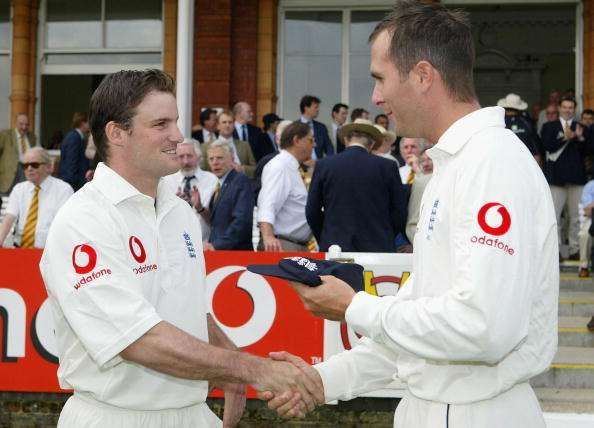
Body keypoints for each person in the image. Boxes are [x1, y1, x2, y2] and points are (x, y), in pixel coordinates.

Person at [261, 3, 558, 427]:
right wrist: (322, 380)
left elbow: (482, 328)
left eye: (380, 78)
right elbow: (415, 331)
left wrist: (354, 307)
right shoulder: (456, 165)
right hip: (437, 409)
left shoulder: (492, 162)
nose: (376, 97)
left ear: (422, 76)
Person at [39, 69, 321, 428]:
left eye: (175, 122)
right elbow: (138, 340)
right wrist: (254, 370)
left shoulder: (181, 212)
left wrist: (232, 366)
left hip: (192, 413)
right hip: (115, 416)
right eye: (160, 124)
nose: (178, 136)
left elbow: (188, 311)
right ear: (117, 133)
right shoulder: (83, 220)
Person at [305, 118, 406, 252]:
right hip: (378, 247)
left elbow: (312, 211)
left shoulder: (324, 165)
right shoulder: (387, 166)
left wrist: (326, 236)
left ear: (346, 140)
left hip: (335, 247)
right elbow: (399, 212)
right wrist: (384, 234)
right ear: (372, 144)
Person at [542, 96, 591, 261]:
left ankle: (575, 249)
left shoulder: (582, 127)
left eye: (571, 107)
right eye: (565, 107)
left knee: (576, 217)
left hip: (576, 179)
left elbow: (589, 150)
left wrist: (581, 138)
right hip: (556, 179)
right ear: (560, 108)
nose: (568, 110)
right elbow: (547, 146)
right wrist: (566, 137)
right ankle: (555, 251)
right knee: (554, 218)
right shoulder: (549, 126)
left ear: (575, 109)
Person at [257, 122, 314, 252]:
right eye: (310, 140)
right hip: (281, 245)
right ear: (297, 140)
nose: (314, 145)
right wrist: (268, 237)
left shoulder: (295, 168)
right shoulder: (280, 166)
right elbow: (268, 202)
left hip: (297, 245)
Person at [0, 147, 72, 248]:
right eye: (25, 166)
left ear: (48, 166)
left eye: (34, 165)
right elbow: (9, 218)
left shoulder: (63, 190)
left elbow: (64, 225)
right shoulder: (19, 189)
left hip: (48, 251)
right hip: (20, 249)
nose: (29, 168)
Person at [199, 140, 254, 251]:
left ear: (232, 159)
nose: (215, 162)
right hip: (220, 255)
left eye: (219, 158)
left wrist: (217, 245)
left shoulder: (240, 181)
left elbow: (241, 222)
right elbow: (217, 221)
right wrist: (199, 207)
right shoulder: (220, 183)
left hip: (235, 256)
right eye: (211, 159)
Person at [162, 138, 218, 242]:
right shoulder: (167, 181)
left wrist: (199, 207)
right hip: (174, 243)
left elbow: (217, 220)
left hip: (204, 245)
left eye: (189, 156)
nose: (186, 161)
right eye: (181, 157)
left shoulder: (212, 180)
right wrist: (173, 205)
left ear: (199, 157)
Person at [201, 111, 257, 178]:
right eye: (224, 122)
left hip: (241, 183)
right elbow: (202, 171)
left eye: (230, 122)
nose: (227, 125)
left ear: (234, 125)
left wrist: (242, 169)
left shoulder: (244, 145)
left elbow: (255, 169)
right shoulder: (205, 147)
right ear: (218, 126)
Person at [0, 113, 38, 195]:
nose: (24, 127)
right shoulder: (6, 135)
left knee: (24, 196)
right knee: (5, 199)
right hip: (8, 175)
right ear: (16, 123)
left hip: (26, 171)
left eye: (26, 124)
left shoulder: (32, 137)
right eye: (21, 124)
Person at [497, 93, 541, 159]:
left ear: (505, 107)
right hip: (524, 162)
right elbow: (535, 151)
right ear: (519, 108)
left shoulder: (499, 123)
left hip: (503, 161)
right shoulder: (527, 123)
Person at [405, 147, 434, 243]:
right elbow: (413, 221)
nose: (426, 164)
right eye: (422, 161)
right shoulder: (419, 182)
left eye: (430, 159)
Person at [59, 112, 90, 191]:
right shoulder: (74, 138)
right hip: (73, 184)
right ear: (83, 123)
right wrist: (75, 183)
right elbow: (71, 162)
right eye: (88, 122)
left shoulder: (76, 137)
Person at [299, 95, 334, 160]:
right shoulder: (294, 127)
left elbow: (329, 147)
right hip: (300, 167)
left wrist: (329, 162)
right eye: (316, 107)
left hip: (318, 166)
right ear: (306, 108)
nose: (318, 110)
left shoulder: (321, 127)